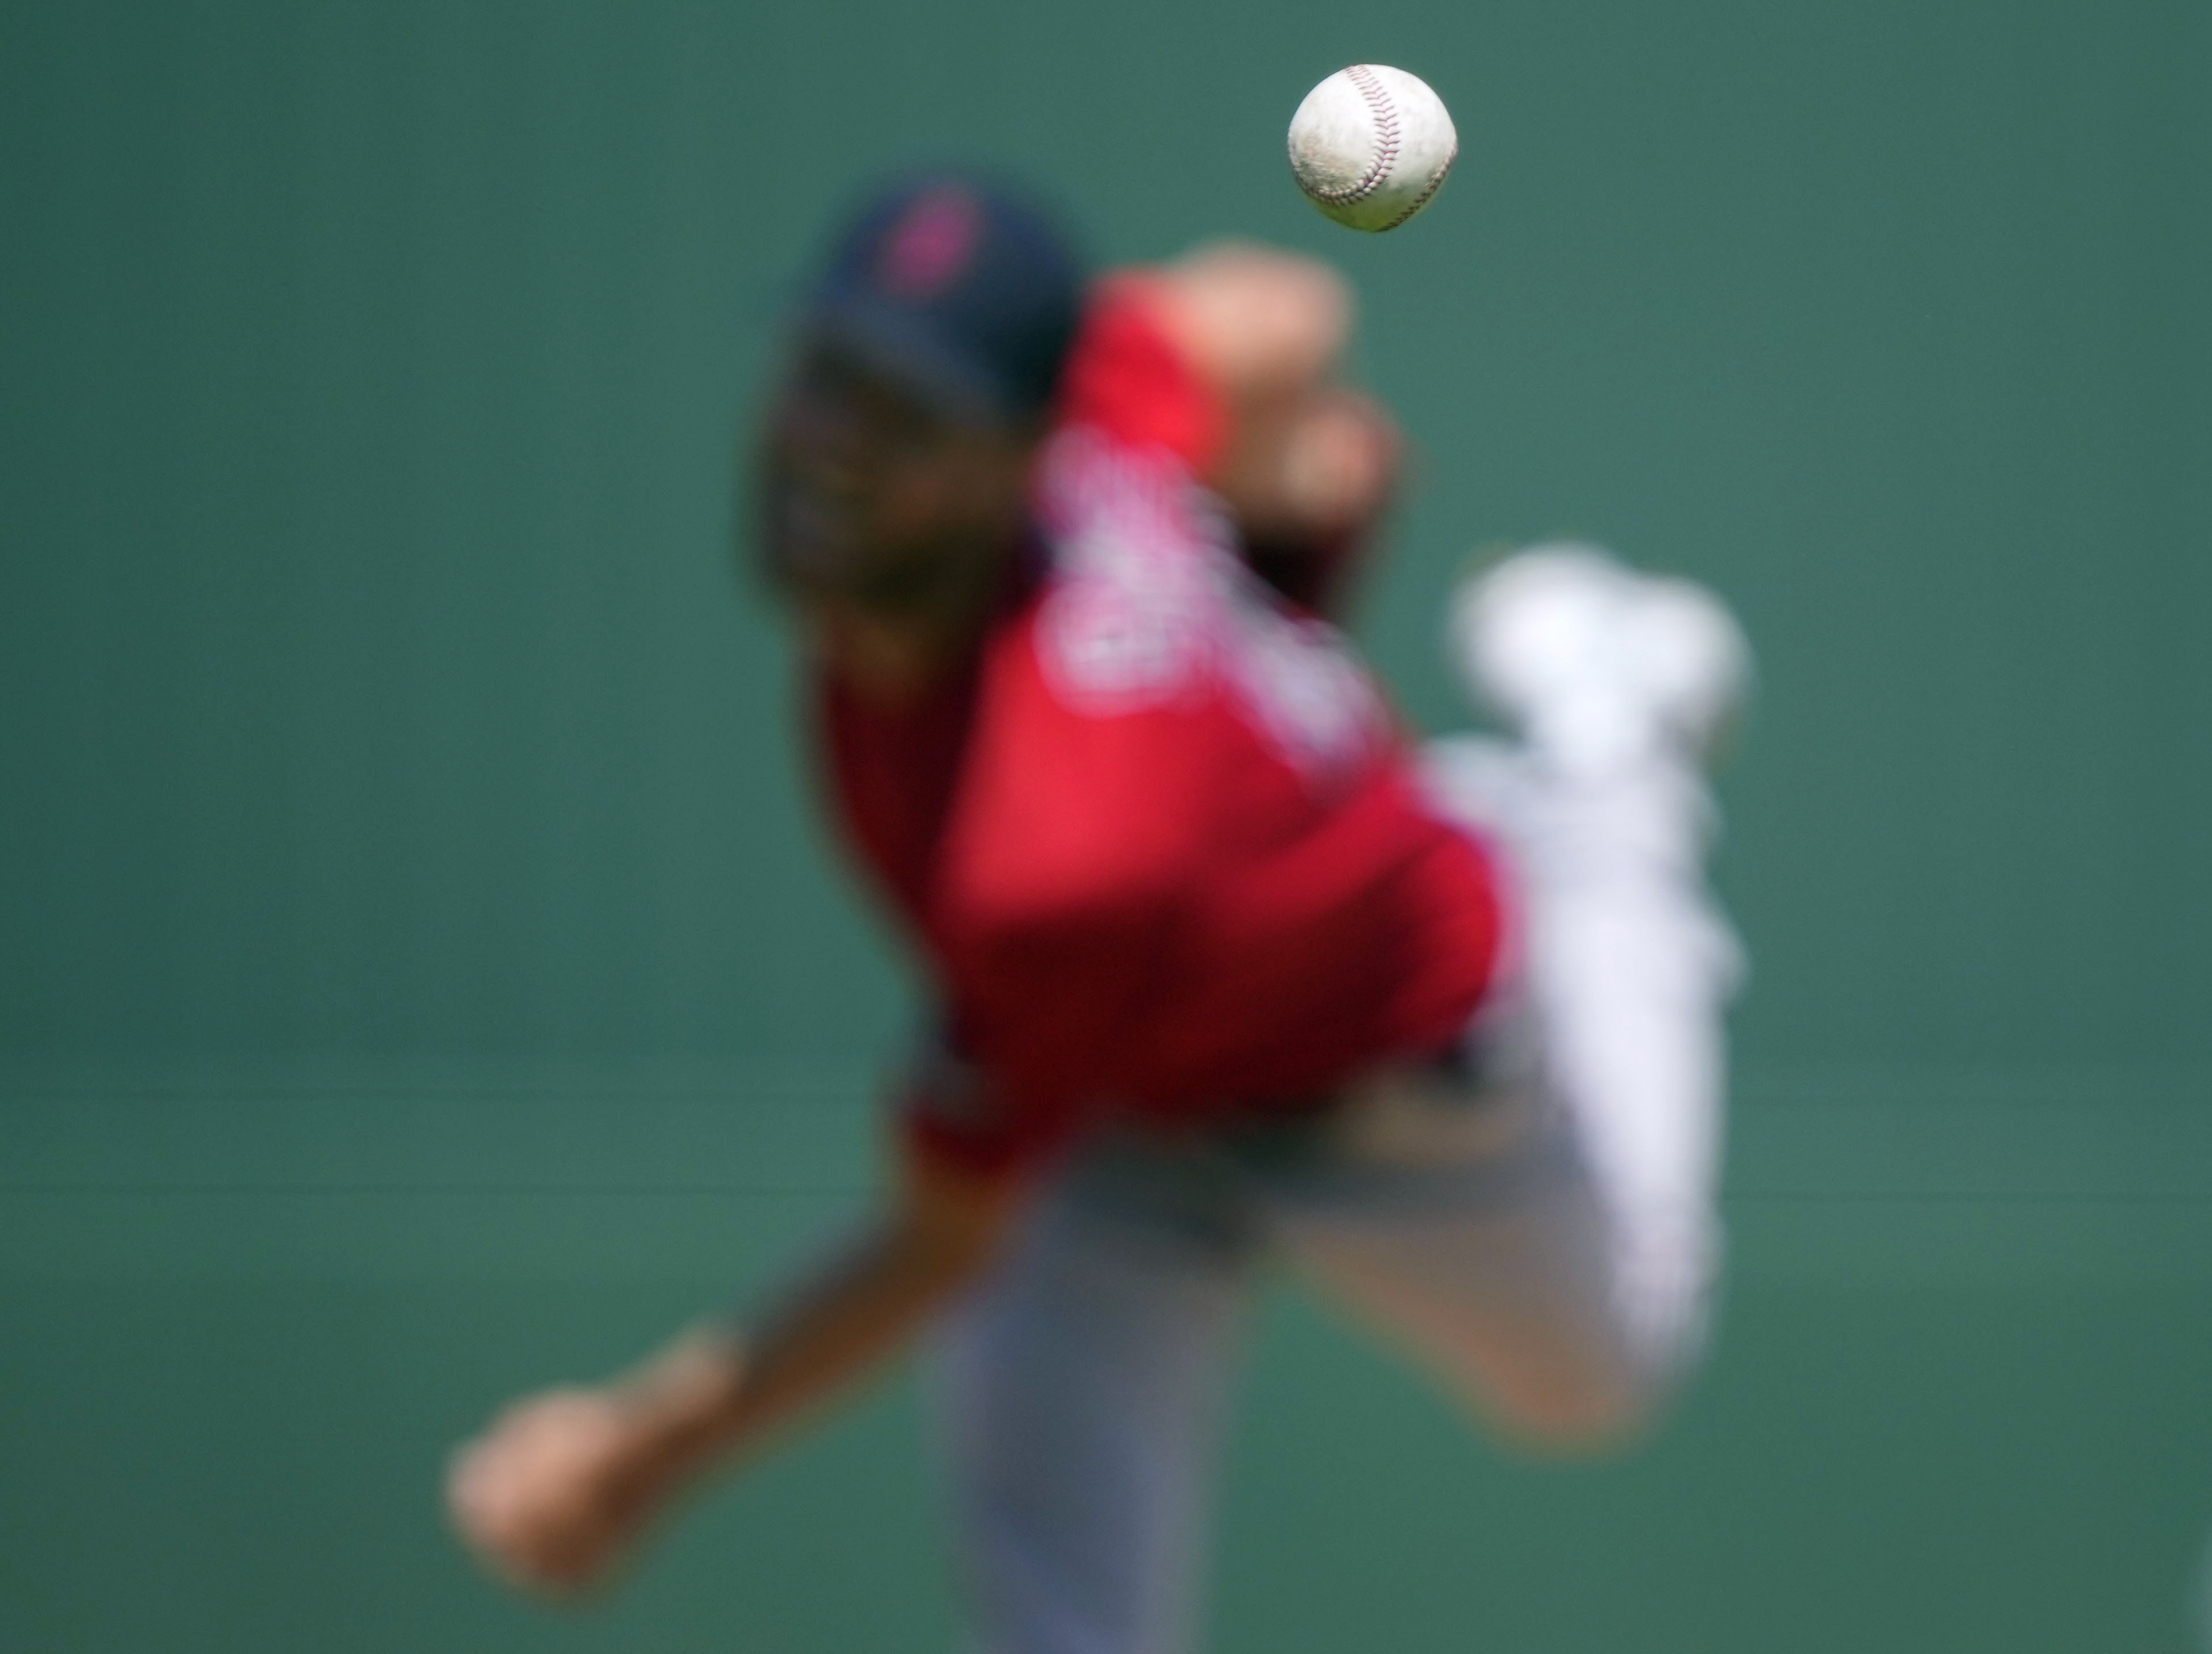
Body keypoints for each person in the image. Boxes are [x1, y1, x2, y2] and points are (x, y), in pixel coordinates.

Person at [446, 171, 1749, 1653]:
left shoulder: (1056, 853)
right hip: (1127, 1081)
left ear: (1014, 459)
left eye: (905, 416)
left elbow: (932, 1243)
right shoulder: (1102, 410)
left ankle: (1603, 764)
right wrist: (1277, 470)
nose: (833, 444)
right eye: (827, 376)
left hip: (1394, 1070)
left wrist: (636, 1450)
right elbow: (1286, 308)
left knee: (1603, 1377)